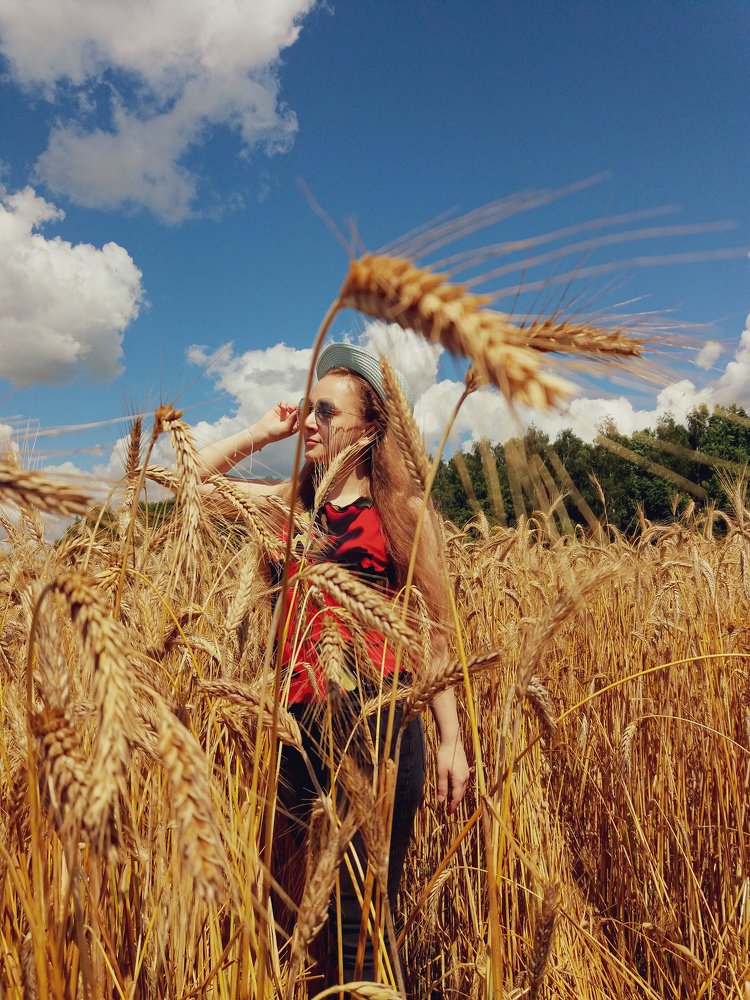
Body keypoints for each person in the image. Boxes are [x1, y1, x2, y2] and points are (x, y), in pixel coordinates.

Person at [196, 342, 470, 987]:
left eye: (327, 410)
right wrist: (264, 430)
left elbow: (432, 631)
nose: (311, 421)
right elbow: (182, 483)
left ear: (369, 427)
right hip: (294, 726)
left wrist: (451, 738)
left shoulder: (403, 512)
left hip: (378, 720)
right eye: (308, 409)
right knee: (290, 910)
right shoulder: (283, 508)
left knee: (364, 918)